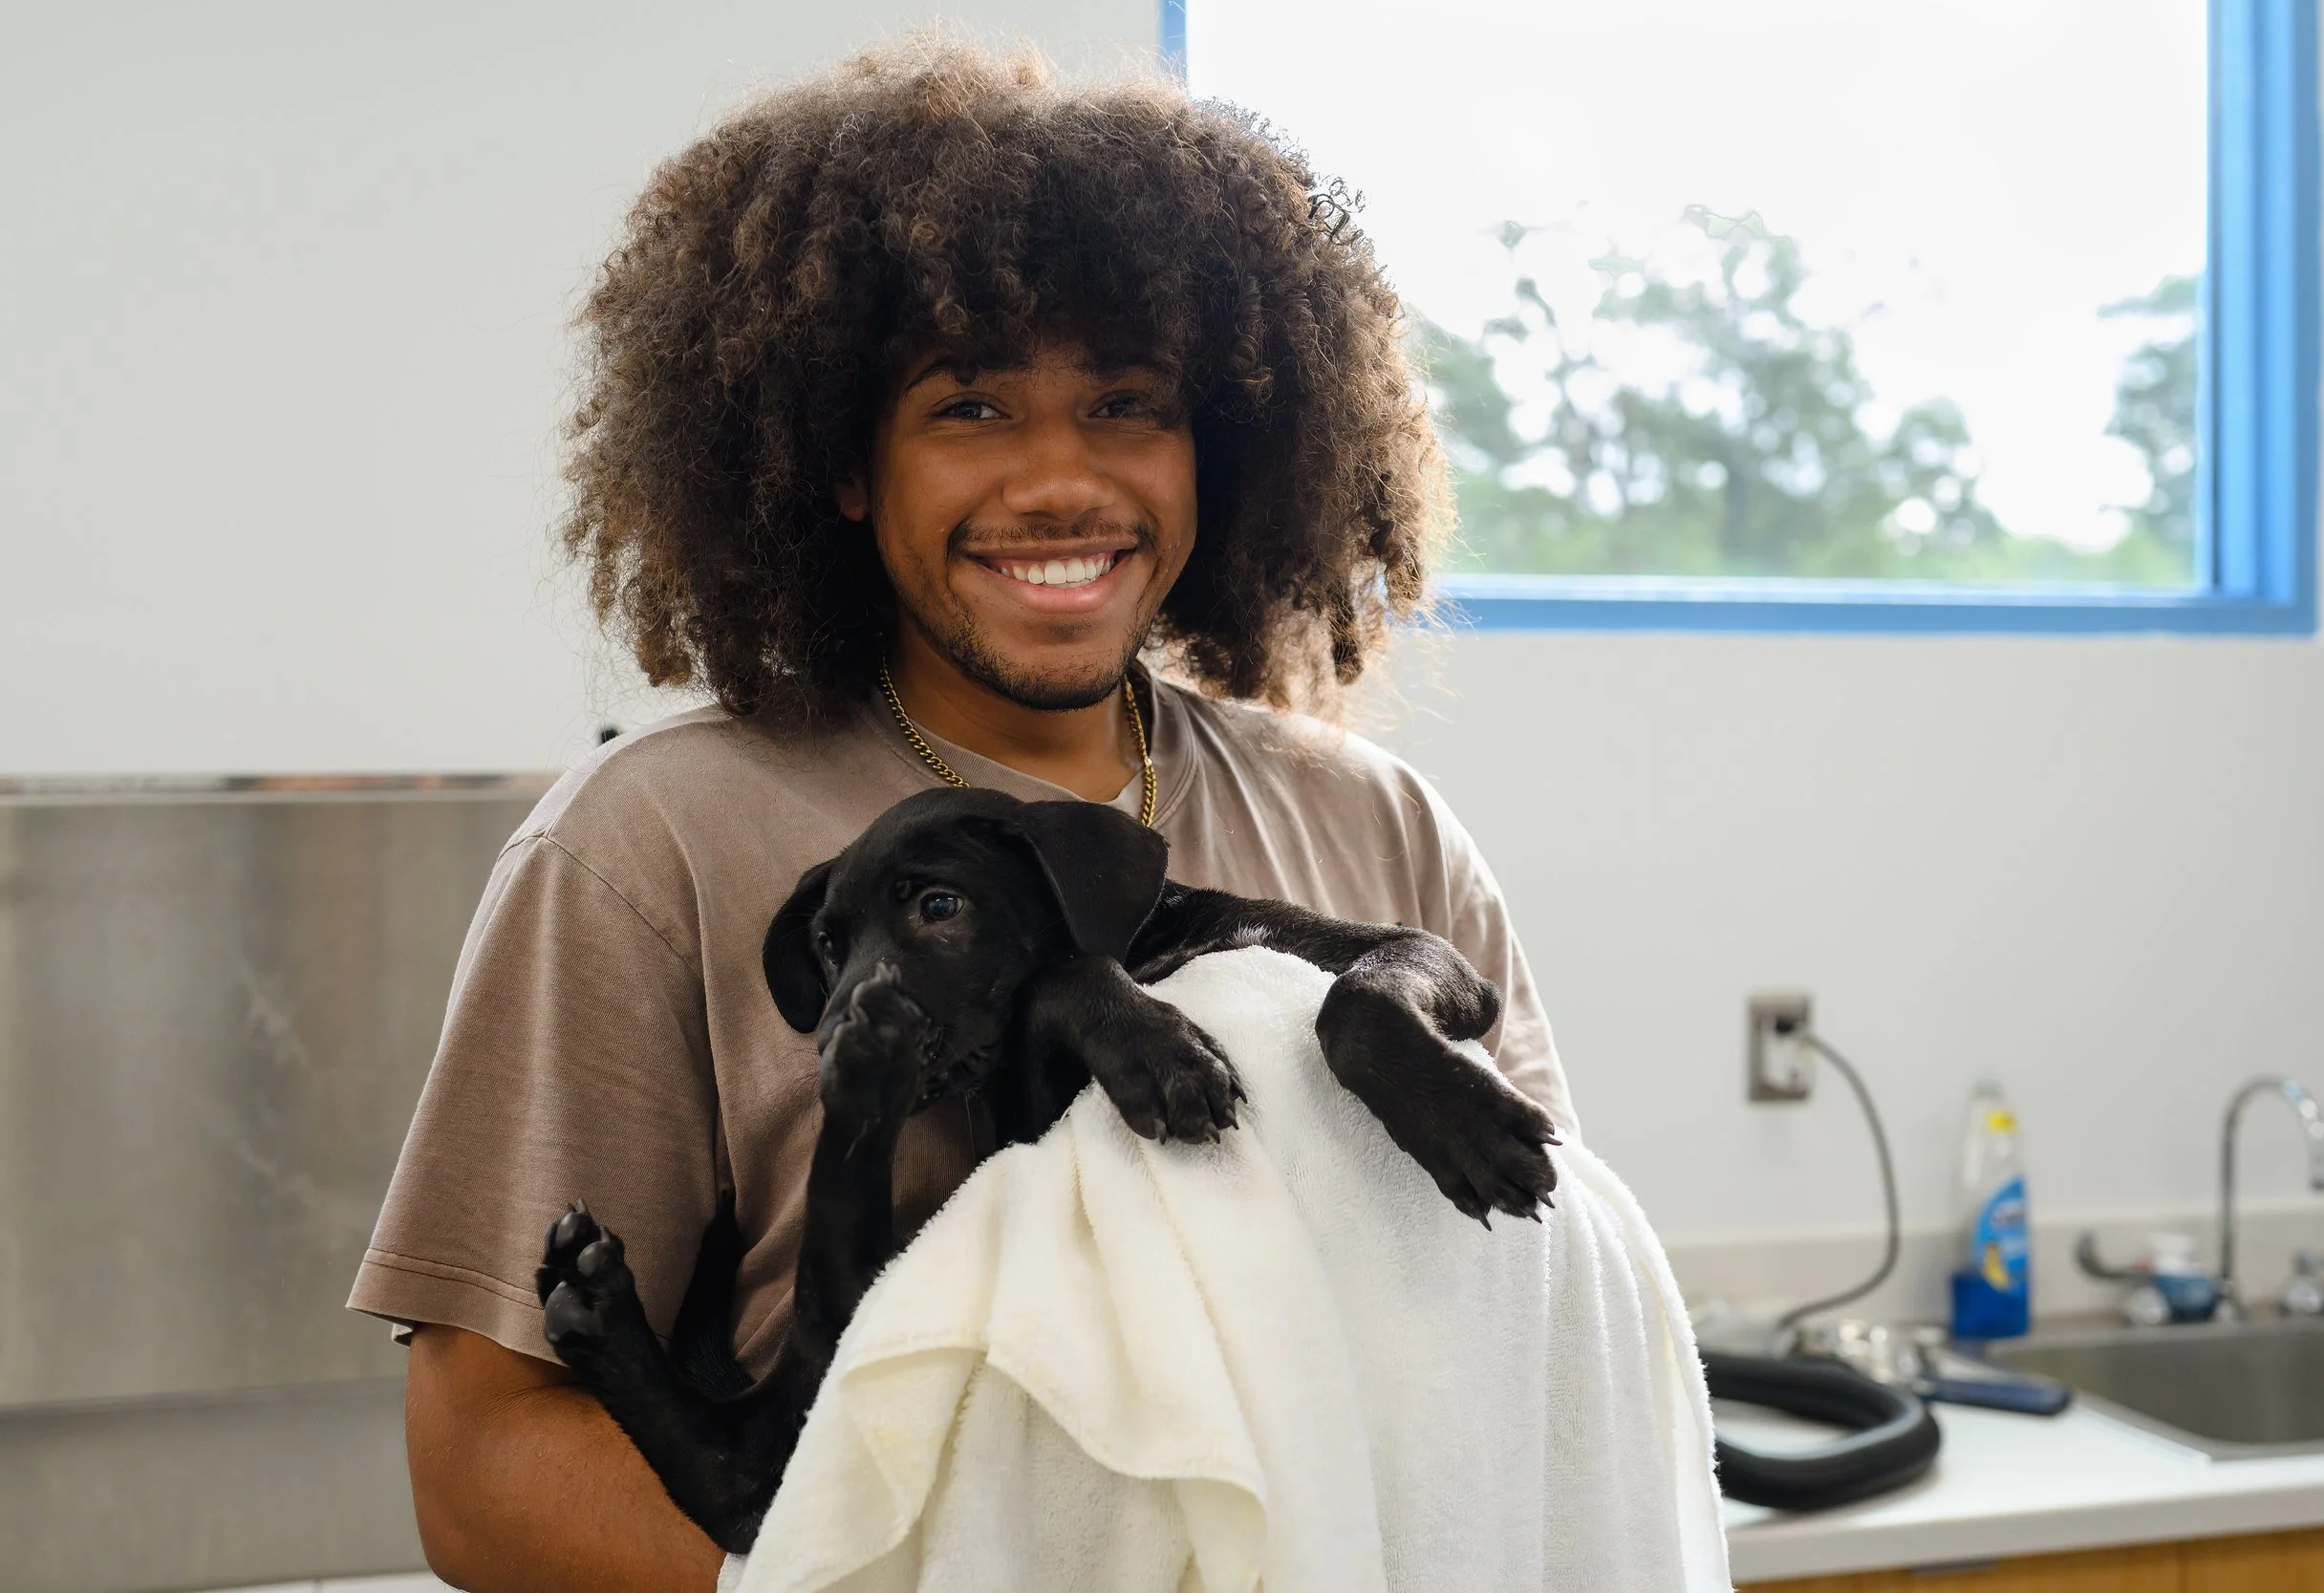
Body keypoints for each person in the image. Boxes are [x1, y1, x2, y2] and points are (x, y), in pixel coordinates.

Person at [352, 41, 1580, 1593]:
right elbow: (480, 1465)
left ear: (1224, 445)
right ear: (845, 464)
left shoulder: (1373, 826)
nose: (1060, 480)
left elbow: (1543, 1307)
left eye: (1128, 402)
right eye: (973, 405)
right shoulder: (650, 843)